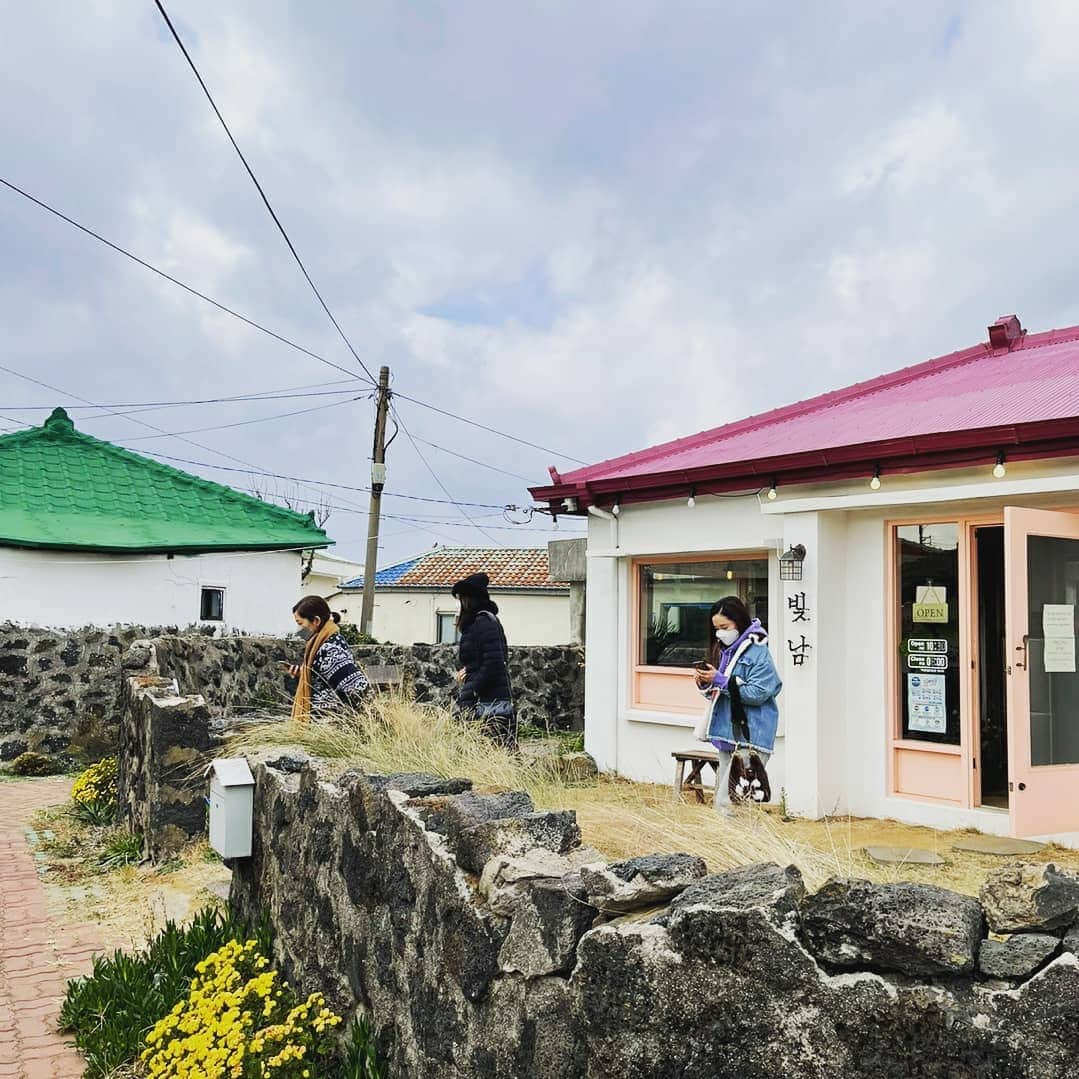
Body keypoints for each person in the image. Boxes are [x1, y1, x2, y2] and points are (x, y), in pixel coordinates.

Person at [694, 596, 782, 815]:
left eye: (725, 627)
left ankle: (738, 846)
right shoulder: (726, 650)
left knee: (732, 802)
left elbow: (759, 693)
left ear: (739, 622)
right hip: (728, 733)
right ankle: (732, 845)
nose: (720, 633)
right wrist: (707, 683)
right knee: (728, 801)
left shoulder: (757, 650)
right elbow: (723, 694)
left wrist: (721, 680)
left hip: (751, 735)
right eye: (716, 628)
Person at [451, 572, 516, 748]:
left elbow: (493, 663)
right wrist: (470, 670)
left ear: (469, 599)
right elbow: (484, 658)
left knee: (491, 748)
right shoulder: (483, 622)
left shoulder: (483, 623)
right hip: (488, 697)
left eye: (461, 599)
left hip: (488, 700)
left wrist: (472, 690)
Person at [289, 596, 370, 721]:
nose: (299, 629)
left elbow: (357, 687)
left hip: (329, 724)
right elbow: (327, 677)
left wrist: (338, 713)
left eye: (300, 623)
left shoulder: (328, 649)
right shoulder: (326, 641)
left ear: (316, 620)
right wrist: (304, 673)